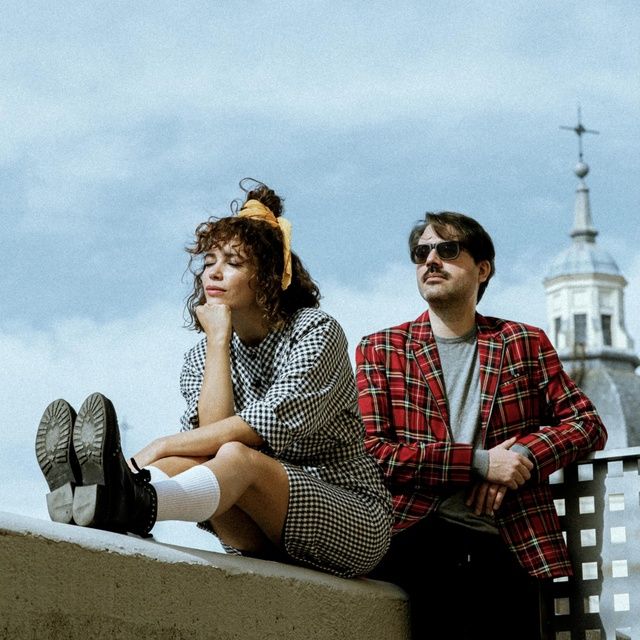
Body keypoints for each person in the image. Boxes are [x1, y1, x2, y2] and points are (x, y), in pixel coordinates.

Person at [35, 179, 392, 579]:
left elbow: (258, 428)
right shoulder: (199, 357)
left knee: (232, 454)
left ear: (268, 276)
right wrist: (218, 342)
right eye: (208, 262)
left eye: (233, 263)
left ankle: (128, 498)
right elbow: (209, 441)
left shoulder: (314, 331)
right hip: (253, 526)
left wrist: (158, 445)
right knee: (194, 457)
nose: (213, 274)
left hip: (348, 517)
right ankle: (103, 496)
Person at [355, 211, 607, 638]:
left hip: (511, 540)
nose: (431, 260)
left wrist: (522, 457)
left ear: (483, 268)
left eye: (448, 249)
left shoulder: (522, 342)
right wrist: (478, 463)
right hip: (416, 538)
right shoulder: (381, 348)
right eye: (421, 252)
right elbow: (374, 454)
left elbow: (587, 424)